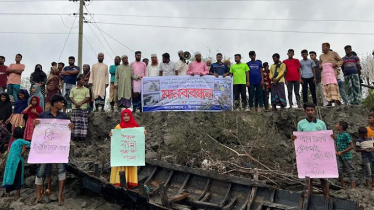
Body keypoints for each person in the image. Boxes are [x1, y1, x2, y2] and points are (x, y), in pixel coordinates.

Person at [33, 94, 74, 206]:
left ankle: (60, 195)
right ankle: (38, 195)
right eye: (61, 102)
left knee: (61, 170)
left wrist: (71, 126)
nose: (62, 104)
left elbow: (67, 131)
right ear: (55, 103)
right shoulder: (43, 115)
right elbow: (38, 131)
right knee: (40, 171)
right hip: (45, 149)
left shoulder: (64, 117)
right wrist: (34, 124)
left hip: (59, 149)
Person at [291, 102, 330, 199]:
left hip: (320, 154)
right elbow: (299, 139)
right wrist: (294, 138)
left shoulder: (321, 123)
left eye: (312, 110)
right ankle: (310, 200)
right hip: (307, 155)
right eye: (308, 110)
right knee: (309, 179)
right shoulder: (301, 123)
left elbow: (326, 138)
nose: (310, 112)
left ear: (315, 111)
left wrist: (331, 137)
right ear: (305, 112)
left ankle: (327, 198)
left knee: (323, 178)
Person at [109, 109, 145, 188]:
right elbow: (115, 139)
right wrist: (112, 134)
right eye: (124, 116)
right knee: (120, 167)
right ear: (122, 117)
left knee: (130, 166)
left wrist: (143, 133)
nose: (126, 117)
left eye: (127, 115)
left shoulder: (136, 127)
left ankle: (129, 185)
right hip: (122, 154)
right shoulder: (118, 127)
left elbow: (139, 139)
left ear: (130, 116)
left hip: (131, 154)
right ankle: (118, 183)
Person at [2, 127, 30, 199]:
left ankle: (13, 194)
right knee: (16, 176)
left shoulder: (19, 141)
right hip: (12, 162)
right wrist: (24, 149)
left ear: (14, 134)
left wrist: (24, 150)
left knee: (13, 175)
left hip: (16, 161)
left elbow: (30, 144)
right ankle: (14, 193)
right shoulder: (15, 142)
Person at [331, 121, 355, 189]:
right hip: (339, 156)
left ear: (340, 127)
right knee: (339, 170)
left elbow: (351, 146)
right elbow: (336, 144)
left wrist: (342, 152)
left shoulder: (346, 135)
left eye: (337, 124)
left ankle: (353, 187)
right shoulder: (337, 135)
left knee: (349, 170)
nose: (336, 125)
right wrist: (336, 151)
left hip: (346, 156)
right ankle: (342, 186)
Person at [70, 76, 90, 141]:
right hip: (74, 108)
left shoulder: (86, 89)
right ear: (78, 81)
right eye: (82, 80)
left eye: (84, 80)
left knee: (83, 123)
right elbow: (71, 97)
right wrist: (76, 103)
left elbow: (87, 98)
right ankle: (74, 137)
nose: (84, 81)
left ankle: (82, 137)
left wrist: (80, 103)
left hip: (83, 108)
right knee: (74, 122)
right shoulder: (73, 89)